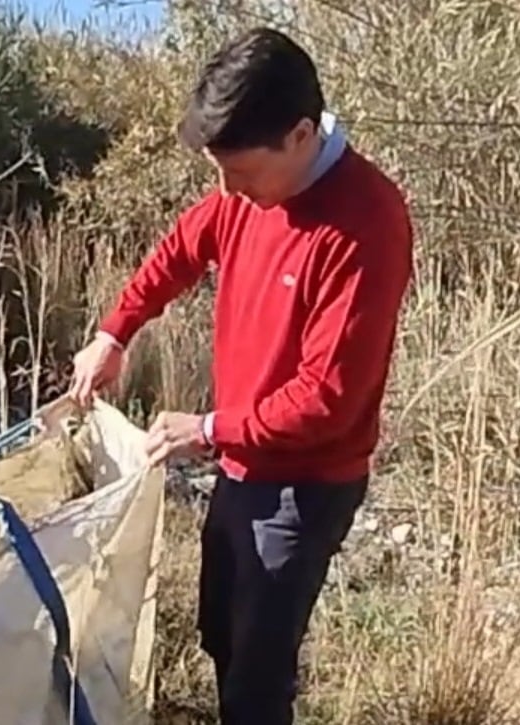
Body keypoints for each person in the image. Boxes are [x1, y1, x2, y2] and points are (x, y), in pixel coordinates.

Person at [67, 27, 414, 725]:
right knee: (221, 634)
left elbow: (328, 400)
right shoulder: (242, 193)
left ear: (301, 134)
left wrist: (209, 427)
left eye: (243, 174)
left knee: (257, 679)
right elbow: (182, 249)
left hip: (304, 484)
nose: (228, 191)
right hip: (241, 463)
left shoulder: (366, 222)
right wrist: (116, 330)